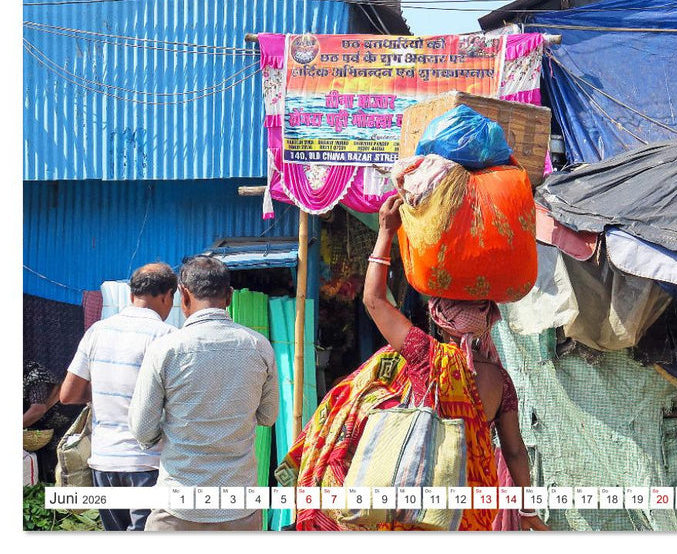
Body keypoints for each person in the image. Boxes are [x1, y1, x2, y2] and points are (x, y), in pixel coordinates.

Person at [279, 195, 549, 531]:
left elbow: (374, 300)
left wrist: (386, 233)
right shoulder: (501, 380)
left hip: (421, 510)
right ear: (486, 318)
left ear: (438, 316)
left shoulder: (426, 356)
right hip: (469, 516)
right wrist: (528, 513)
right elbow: (514, 452)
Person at [129, 256, 278, 531]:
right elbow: (268, 417)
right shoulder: (259, 346)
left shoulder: (166, 350)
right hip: (239, 505)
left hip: (178, 506)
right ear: (230, 296)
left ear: (183, 296)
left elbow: (142, 430)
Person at [60, 262, 178, 531]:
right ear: (168, 295)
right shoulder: (168, 336)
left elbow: (68, 394)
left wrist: (106, 387)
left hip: (104, 461)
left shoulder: (97, 331)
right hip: (147, 463)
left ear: (130, 295)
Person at [24, 360, 75, 483]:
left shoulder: (35, 373)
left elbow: (38, 410)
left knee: (58, 464)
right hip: (38, 430)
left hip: (61, 420)